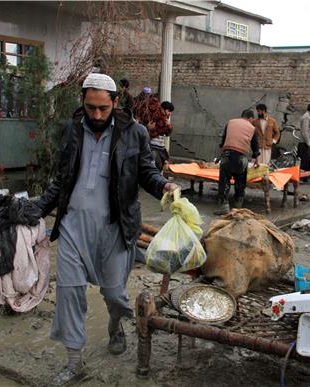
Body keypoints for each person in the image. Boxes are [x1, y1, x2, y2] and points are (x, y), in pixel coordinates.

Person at [34, 73, 179, 385]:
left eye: (103, 108)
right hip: (74, 226)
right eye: (90, 108)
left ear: (115, 103)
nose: (97, 115)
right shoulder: (71, 130)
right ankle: (75, 363)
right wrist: (37, 208)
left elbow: (146, 171)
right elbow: (61, 180)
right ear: (83, 104)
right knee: (69, 293)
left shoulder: (134, 133)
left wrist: (164, 184)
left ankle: (116, 325)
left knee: (114, 295)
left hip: (116, 227)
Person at [214, 109, 259, 215]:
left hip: (227, 155)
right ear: (250, 118)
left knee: (224, 180)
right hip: (241, 157)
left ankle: (224, 206)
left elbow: (223, 140)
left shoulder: (230, 122)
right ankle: (238, 204)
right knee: (240, 180)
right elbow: (255, 146)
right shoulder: (252, 128)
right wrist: (256, 158)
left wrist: (222, 151)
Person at [150, 101, 174, 172]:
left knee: (160, 167)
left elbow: (167, 133)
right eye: (169, 111)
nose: (170, 113)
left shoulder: (165, 121)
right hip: (153, 147)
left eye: (171, 111)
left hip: (160, 148)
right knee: (154, 168)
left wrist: (169, 126)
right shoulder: (155, 118)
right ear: (163, 109)